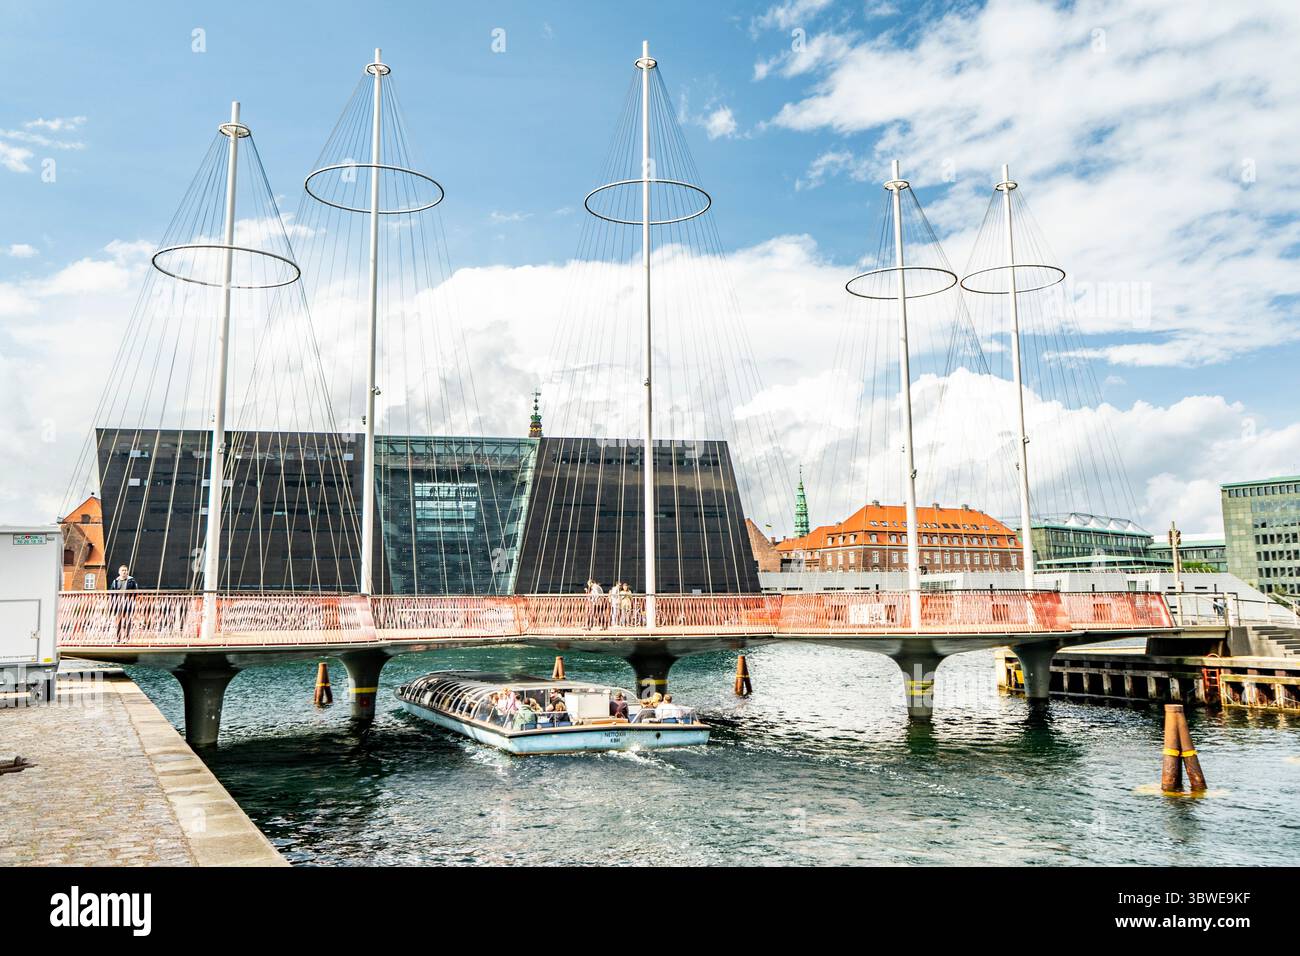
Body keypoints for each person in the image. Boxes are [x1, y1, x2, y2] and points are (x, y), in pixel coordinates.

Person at [109, 564, 139, 644]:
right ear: (119, 572)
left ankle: (126, 638)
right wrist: (112, 604)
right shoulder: (115, 581)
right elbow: (111, 593)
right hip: (118, 604)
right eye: (122, 570)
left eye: (125, 570)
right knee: (118, 622)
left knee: (128, 621)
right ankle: (118, 639)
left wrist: (132, 600)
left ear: (127, 572)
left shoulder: (132, 580)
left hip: (128, 603)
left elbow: (135, 592)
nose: (124, 572)